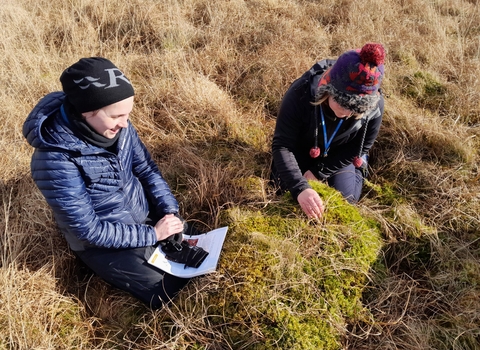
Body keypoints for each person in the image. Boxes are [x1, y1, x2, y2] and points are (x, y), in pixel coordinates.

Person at [23, 57, 190, 309]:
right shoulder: (54, 159)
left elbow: (146, 170)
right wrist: (153, 234)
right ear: (87, 111)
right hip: (101, 243)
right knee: (168, 291)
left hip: (144, 216)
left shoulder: (120, 128)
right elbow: (87, 230)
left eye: (127, 114)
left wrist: (168, 212)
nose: (125, 123)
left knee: (194, 257)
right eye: (117, 116)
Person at [271, 43, 385, 219]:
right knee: (283, 189)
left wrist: (318, 172)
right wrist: (300, 187)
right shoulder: (300, 93)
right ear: (328, 90)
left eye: (355, 110)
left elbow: (358, 147)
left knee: (345, 200)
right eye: (342, 104)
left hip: (341, 150)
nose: (346, 114)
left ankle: (360, 165)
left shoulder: (374, 106)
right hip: (302, 145)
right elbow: (283, 145)